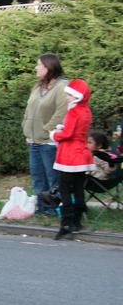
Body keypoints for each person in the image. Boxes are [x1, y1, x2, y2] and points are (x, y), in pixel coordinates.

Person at [22, 53, 69, 214]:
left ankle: (55, 209)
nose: (36, 67)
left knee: (52, 178)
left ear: (48, 67)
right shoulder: (38, 86)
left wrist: (47, 129)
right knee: (37, 177)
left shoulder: (62, 87)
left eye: (39, 65)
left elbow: (62, 112)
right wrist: (25, 126)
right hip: (33, 140)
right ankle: (42, 208)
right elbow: (29, 109)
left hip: (49, 142)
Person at [51, 79, 94, 239]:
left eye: (69, 95)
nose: (67, 97)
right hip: (82, 154)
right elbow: (77, 130)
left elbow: (67, 134)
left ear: (77, 96)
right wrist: (65, 127)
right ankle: (77, 220)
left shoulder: (73, 111)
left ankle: (66, 223)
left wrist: (54, 134)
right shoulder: (86, 111)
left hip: (69, 155)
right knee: (78, 188)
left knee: (64, 189)